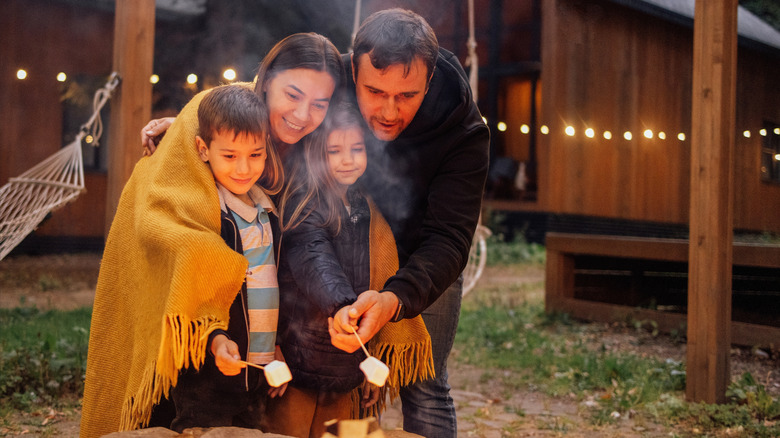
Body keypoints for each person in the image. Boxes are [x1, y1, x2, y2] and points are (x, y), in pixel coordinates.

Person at [81, 84, 284, 437]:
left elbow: (274, 286)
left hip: (256, 372)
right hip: (206, 373)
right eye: (230, 156)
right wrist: (215, 339)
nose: (243, 168)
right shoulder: (207, 213)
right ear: (202, 150)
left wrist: (275, 350)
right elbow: (192, 293)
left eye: (255, 154)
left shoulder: (268, 208)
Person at [327, 9, 490, 438]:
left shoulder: (465, 131)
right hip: (348, 246)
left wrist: (395, 299)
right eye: (374, 91)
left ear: (431, 79)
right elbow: (268, 99)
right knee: (337, 377)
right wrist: (194, 126)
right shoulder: (331, 76)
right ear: (352, 69)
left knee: (426, 383)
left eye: (407, 95)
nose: (387, 111)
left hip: (426, 259)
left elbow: (450, 238)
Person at [264, 101, 433, 438]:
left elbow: (377, 280)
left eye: (357, 149)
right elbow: (314, 258)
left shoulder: (363, 206)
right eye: (334, 150)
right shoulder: (304, 203)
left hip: (346, 360)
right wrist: (344, 306)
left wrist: (366, 367)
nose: (347, 159)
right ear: (314, 154)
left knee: (343, 434)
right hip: (297, 357)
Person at [143, 32, 344, 159]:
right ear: (266, 81)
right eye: (293, 95)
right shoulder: (221, 109)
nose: (302, 115)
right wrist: (186, 127)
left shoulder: (333, 149)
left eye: (318, 105)